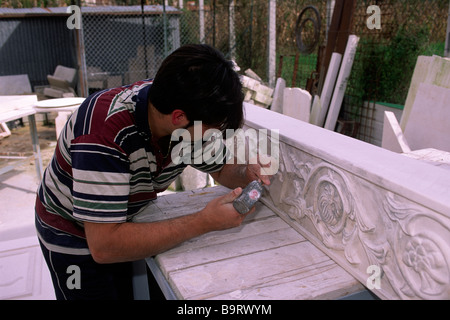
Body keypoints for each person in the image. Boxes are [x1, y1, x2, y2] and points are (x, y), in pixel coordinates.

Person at [35, 44, 271, 300]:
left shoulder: (185, 107)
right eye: (213, 128)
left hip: (123, 222)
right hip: (73, 232)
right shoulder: (103, 133)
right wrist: (203, 222)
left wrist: (247, 172)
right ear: (179, 118)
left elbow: (223, 168)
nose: (215, 136)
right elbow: (104, 246)